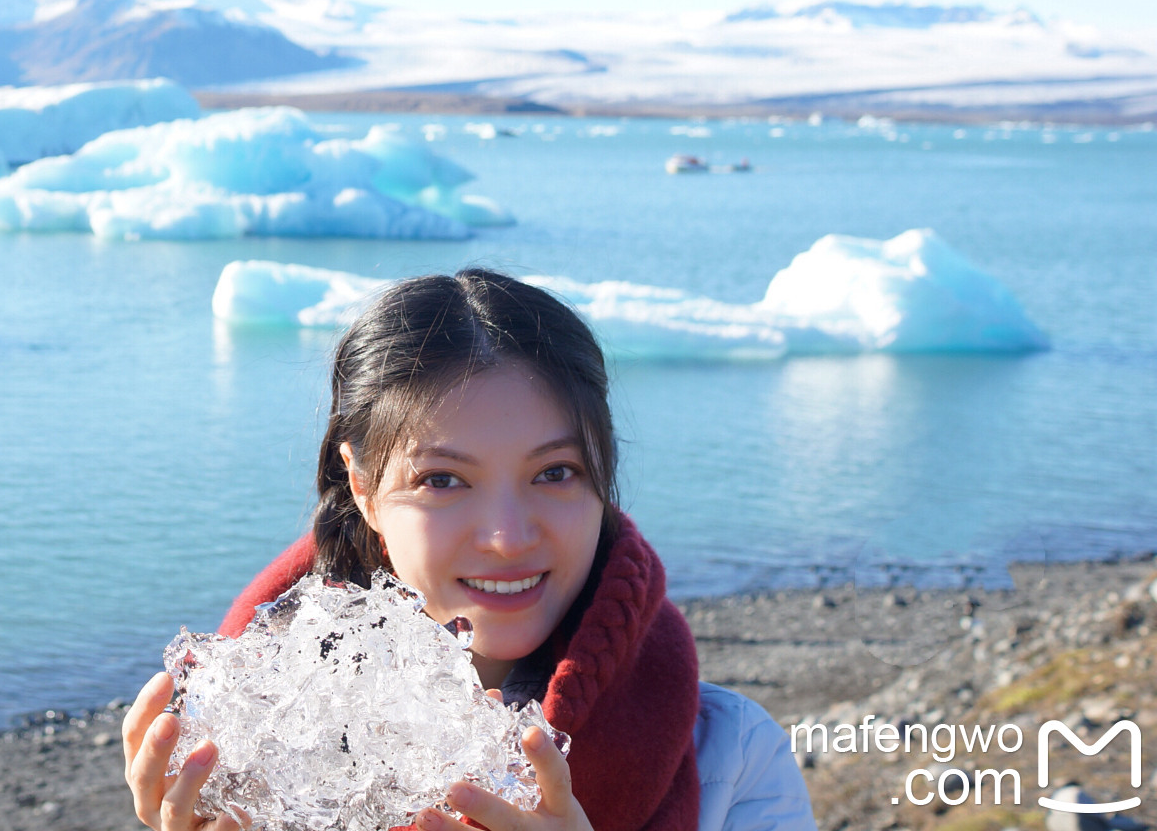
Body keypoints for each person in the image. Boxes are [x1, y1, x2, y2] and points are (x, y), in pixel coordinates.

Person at [123, 268, 815, 831]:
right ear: (362, 487)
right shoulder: (236, 761)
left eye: (554, 473)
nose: (508, 537)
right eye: (443, 480)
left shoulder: (730, 755)